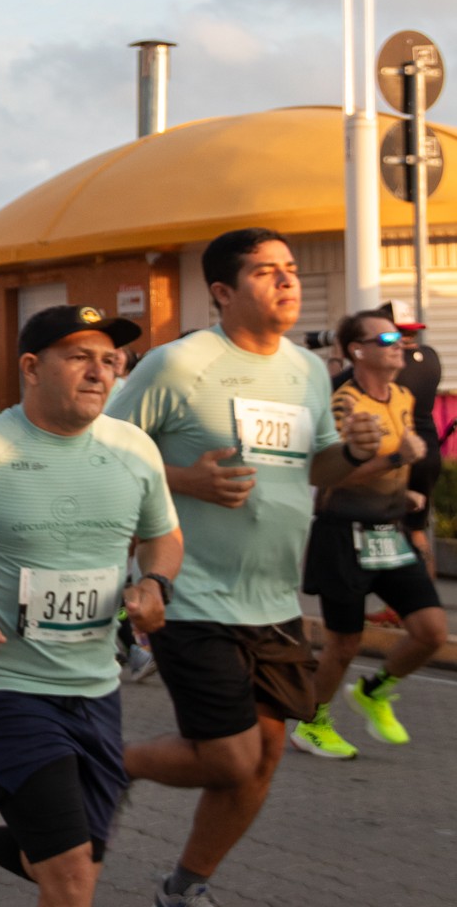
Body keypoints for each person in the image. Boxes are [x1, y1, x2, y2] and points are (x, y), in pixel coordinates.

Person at [108, 228, 382, 907]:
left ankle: (182, 887)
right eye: (266, 272)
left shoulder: (307, 371)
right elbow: (103, 452)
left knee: (259, 762)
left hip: (273, 600)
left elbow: (313, 468)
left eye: (289, 270)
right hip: (189, 591)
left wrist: (350, 453)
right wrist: (185, 481)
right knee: (228, 756)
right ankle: (103, 762)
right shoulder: (178, 366)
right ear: (223, 293)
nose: (287, 281)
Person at [0, 305, 182, 907]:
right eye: (79, 357)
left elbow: (165, 534)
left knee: (64, 867)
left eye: (109, 360)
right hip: (5, 687)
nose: (99, 372)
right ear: (32, 367)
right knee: (70, 881)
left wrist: (156, 583)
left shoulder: (133, 448)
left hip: (96, 691)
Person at [290, 310, 448, 759]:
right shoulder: (345, 402)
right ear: (357, 351)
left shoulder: (400, 396)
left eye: (398, 336)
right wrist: (396, 460)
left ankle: (373, 691)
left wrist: (405, 497)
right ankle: (312, 723)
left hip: (388, 531)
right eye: (385, 337)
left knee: (431, 631)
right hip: (343, 533)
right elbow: (332, 477)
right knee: (344, 642)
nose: (397, 343)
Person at [378, 300, 442, 581]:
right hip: (429, 451)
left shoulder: (391, 365)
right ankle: (426, 598)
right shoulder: (430, 357)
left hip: (402, 453)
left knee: (391, 531)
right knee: (417, 529)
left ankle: (399, 606)